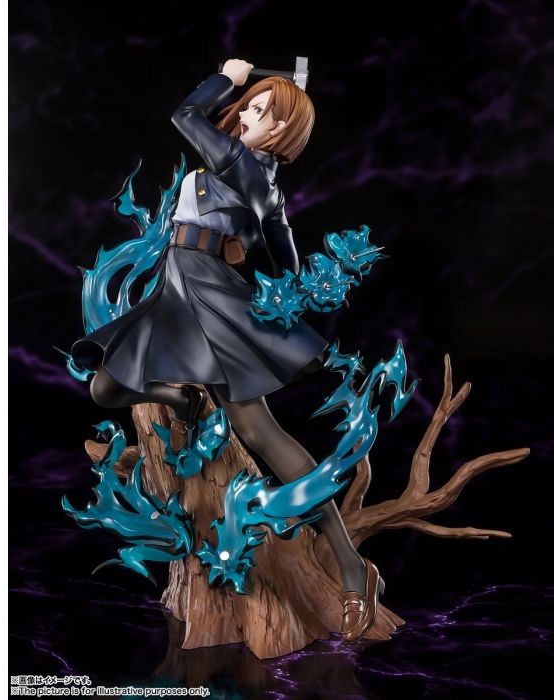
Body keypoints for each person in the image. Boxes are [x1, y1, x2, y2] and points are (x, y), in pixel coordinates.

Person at [70, 58, 383, 642]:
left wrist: (228, 78)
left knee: (260, 432)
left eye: (262, 113)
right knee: (105, 387)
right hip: (176, 289)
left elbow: (185, 115)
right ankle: (182, 400)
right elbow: (284, 249)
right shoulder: (262, 180)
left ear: (282, 132)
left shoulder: (243, 163)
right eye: (250, 106)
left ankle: (351, 568)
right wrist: (289, 288)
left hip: (206, 295)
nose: (246, 117)